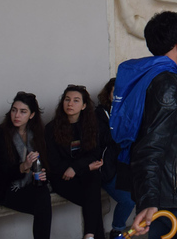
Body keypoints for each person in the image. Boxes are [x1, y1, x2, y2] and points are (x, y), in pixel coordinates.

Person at [114, 11, 177, 239]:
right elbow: (150, 146)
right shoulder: (166, 85)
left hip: (167, 194)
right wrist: (148, 200)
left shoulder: (151, 77)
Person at [0, 92, 51, 239]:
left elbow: (46, 163)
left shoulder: (36, 134)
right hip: (6, 189)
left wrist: (42, 174)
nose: (17, 115)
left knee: (43, 195)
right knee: (43, 203)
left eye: (23, 111)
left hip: (29, 184)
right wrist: (23, 167)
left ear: (31, 115)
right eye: (14, 110)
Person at [45, 85, 105, 239]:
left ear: (84, 106)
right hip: (61, 177)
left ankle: (89, 236)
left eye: (76, 100)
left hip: (82, 174)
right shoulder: (51, 128)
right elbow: (53, 162)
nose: (70, 104)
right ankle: (91, 236)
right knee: (93, 201)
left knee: (93, 179)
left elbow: (95, 153)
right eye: (67, 100)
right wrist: (79, 167)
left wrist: (76, 168)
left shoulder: (90, 126)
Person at [95, 79, 135, 239]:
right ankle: (117, 231)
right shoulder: (99, 113)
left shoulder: (129, 111)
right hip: (107, 168)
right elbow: (104, 138)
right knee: (128, 200)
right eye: (115, 92)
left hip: (126, 165)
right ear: (108, 94)